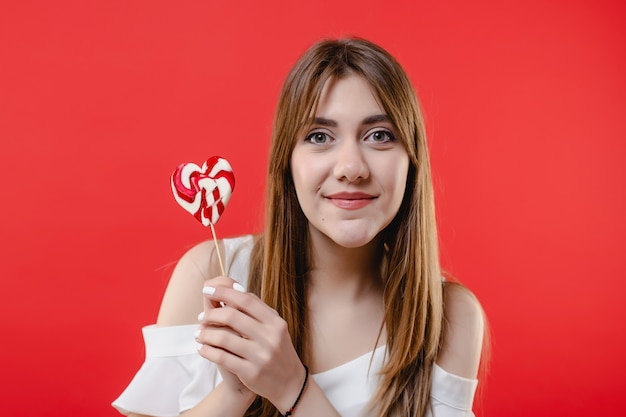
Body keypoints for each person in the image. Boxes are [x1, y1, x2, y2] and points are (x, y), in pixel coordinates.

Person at [113, 37, 485, 417]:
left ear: (412, 160)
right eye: (319, 137)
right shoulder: (211, 273)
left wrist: (293, 388)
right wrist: (234, 393)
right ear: (287, 163)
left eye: (380, 136)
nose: (350, 168)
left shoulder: (448, 316)